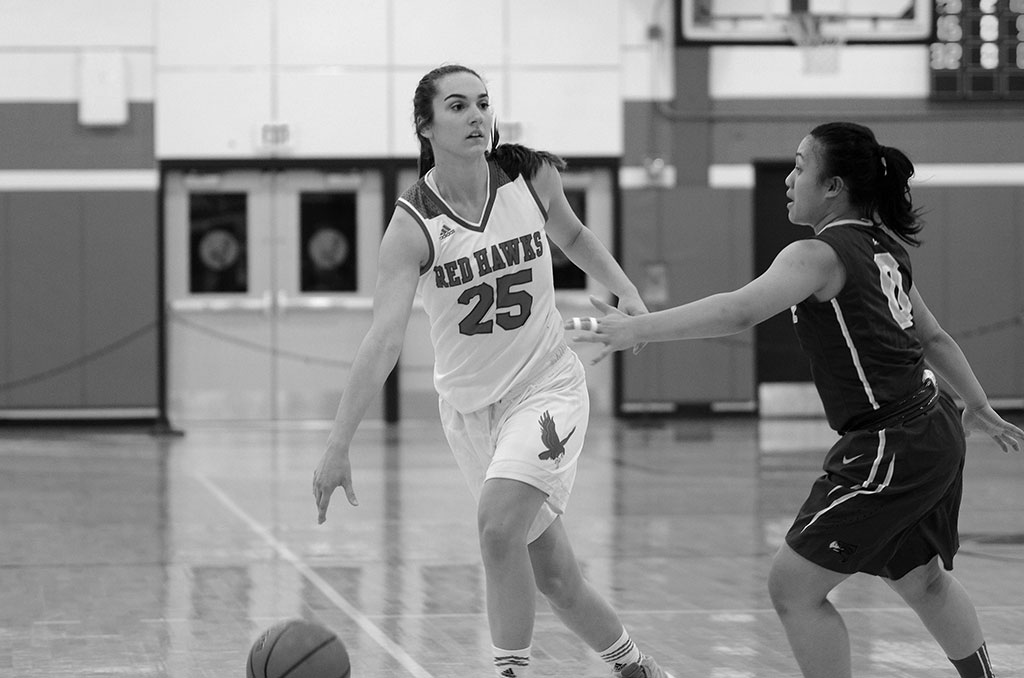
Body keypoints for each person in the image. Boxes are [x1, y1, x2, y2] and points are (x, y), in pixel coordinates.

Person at [569, 121, 1024, 678]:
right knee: (920, 579)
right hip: (933, 424)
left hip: (893, 440)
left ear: (833, 187)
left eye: (800, 166)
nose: (789, 179)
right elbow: (933, 337)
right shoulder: (884, 247)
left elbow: (738, 310)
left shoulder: (818, 254)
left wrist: (637, 328)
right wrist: (977, 404)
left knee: (794, 587)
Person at [312, 64, 669, 678]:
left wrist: (627, 291)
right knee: (555, 576)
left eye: (482, 102)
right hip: (471, 414)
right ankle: (636, 668)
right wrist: (337, 443)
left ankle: (509, 672)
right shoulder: (412, 226)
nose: (476, 115)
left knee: (497, 528)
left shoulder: (529, 178)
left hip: (547, 387)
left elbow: (574, 236)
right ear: (426, 125)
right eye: (457, 106)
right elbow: (383, 340)